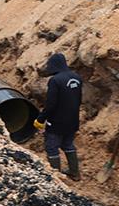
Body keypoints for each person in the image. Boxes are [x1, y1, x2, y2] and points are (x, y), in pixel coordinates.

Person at [33, 53, 83, 181]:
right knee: (68, 144)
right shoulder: (76, 77)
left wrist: (41, 119)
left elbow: (51, 104)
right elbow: (78, 99)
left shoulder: (55, 80)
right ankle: (75, 173)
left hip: (57, 122)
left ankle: (56, 178)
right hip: (72, 120)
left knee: (52, 147)